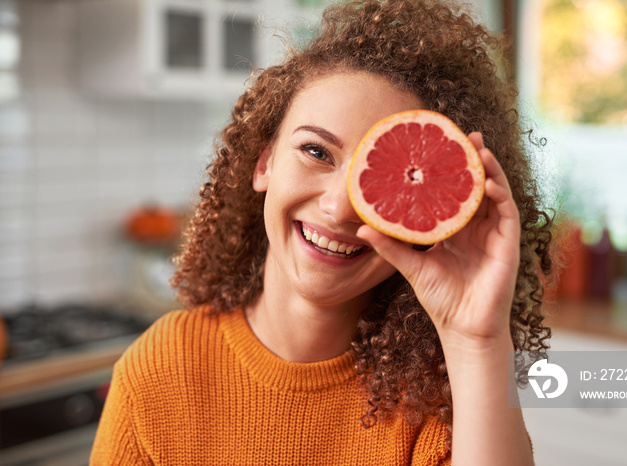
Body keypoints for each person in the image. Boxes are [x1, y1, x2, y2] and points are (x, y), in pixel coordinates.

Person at [90, 0, 552, 464]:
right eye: (316, 151)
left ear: (423, 213)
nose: (339, 207)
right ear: (264, 161)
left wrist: (477, 343)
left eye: (383, 181)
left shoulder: (443, 402)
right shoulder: (158, 369)